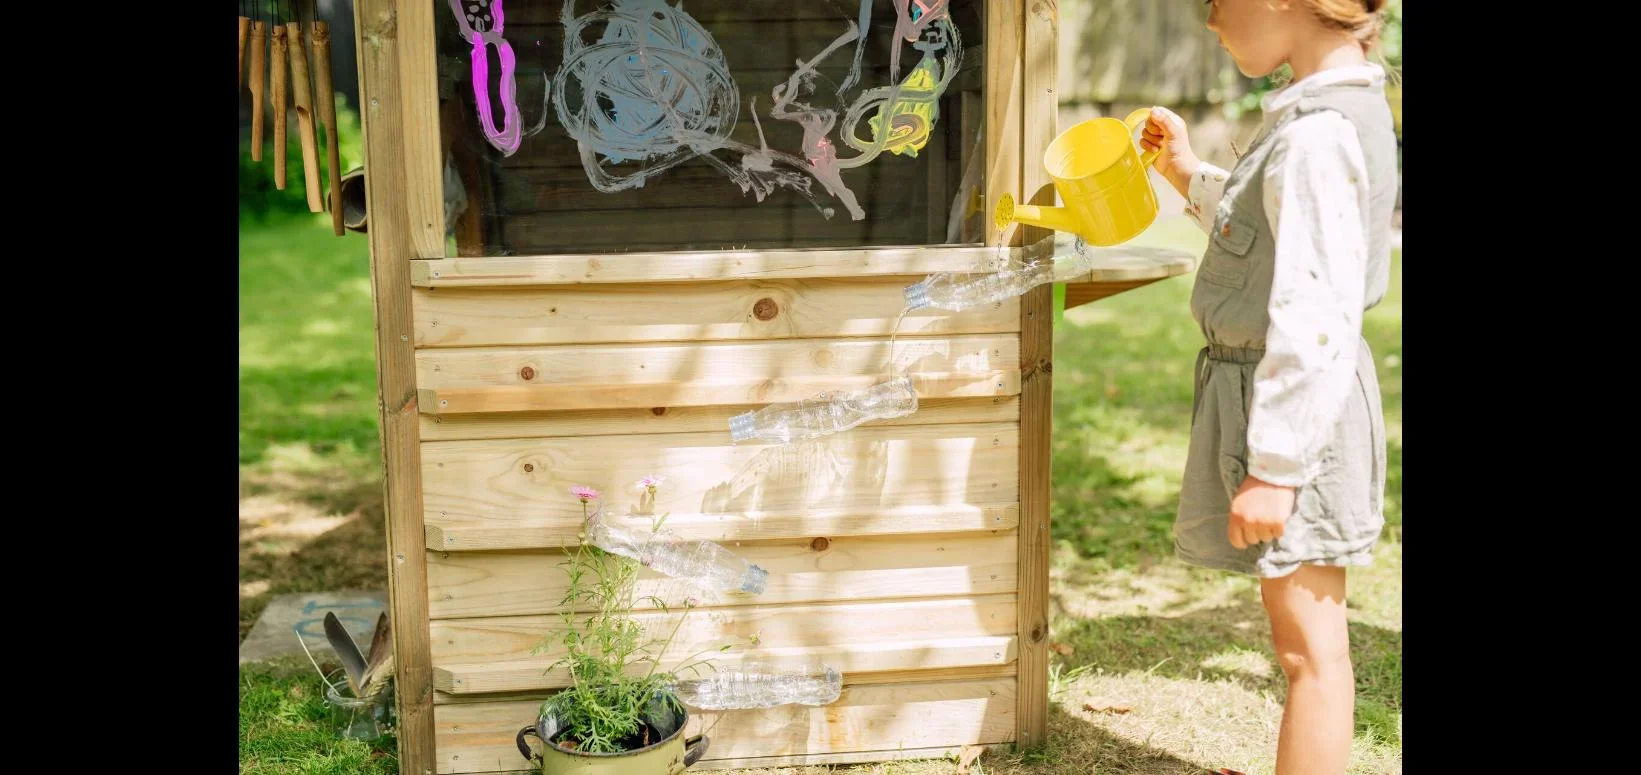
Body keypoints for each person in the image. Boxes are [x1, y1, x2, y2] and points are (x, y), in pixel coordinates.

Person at [1138, 1, 1398, 773]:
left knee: (1310, 654)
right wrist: (1186, 172)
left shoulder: (1319, 131)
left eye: (1216, 3)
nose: (1209, 22)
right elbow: (1270, 228)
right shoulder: (1316, 116)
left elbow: (1314, 309)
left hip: (1295, 412)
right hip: (1282, 400)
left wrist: (1276, 467)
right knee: (1300, 645)